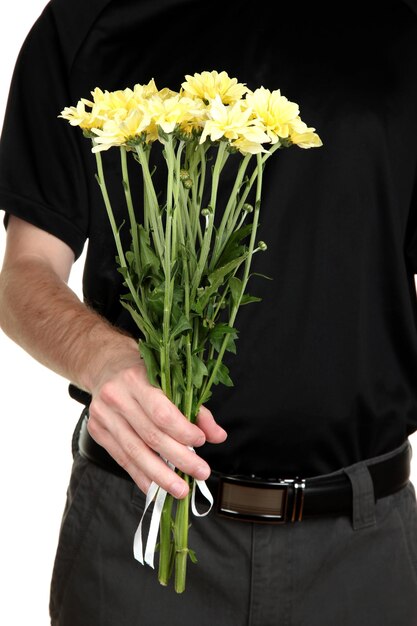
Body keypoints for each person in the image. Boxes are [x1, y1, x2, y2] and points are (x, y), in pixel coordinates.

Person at [1, 0, 417, 624]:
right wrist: (103, 356)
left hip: (360, 549)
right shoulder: (86, 17)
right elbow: (24, 271)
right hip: (139, 531)